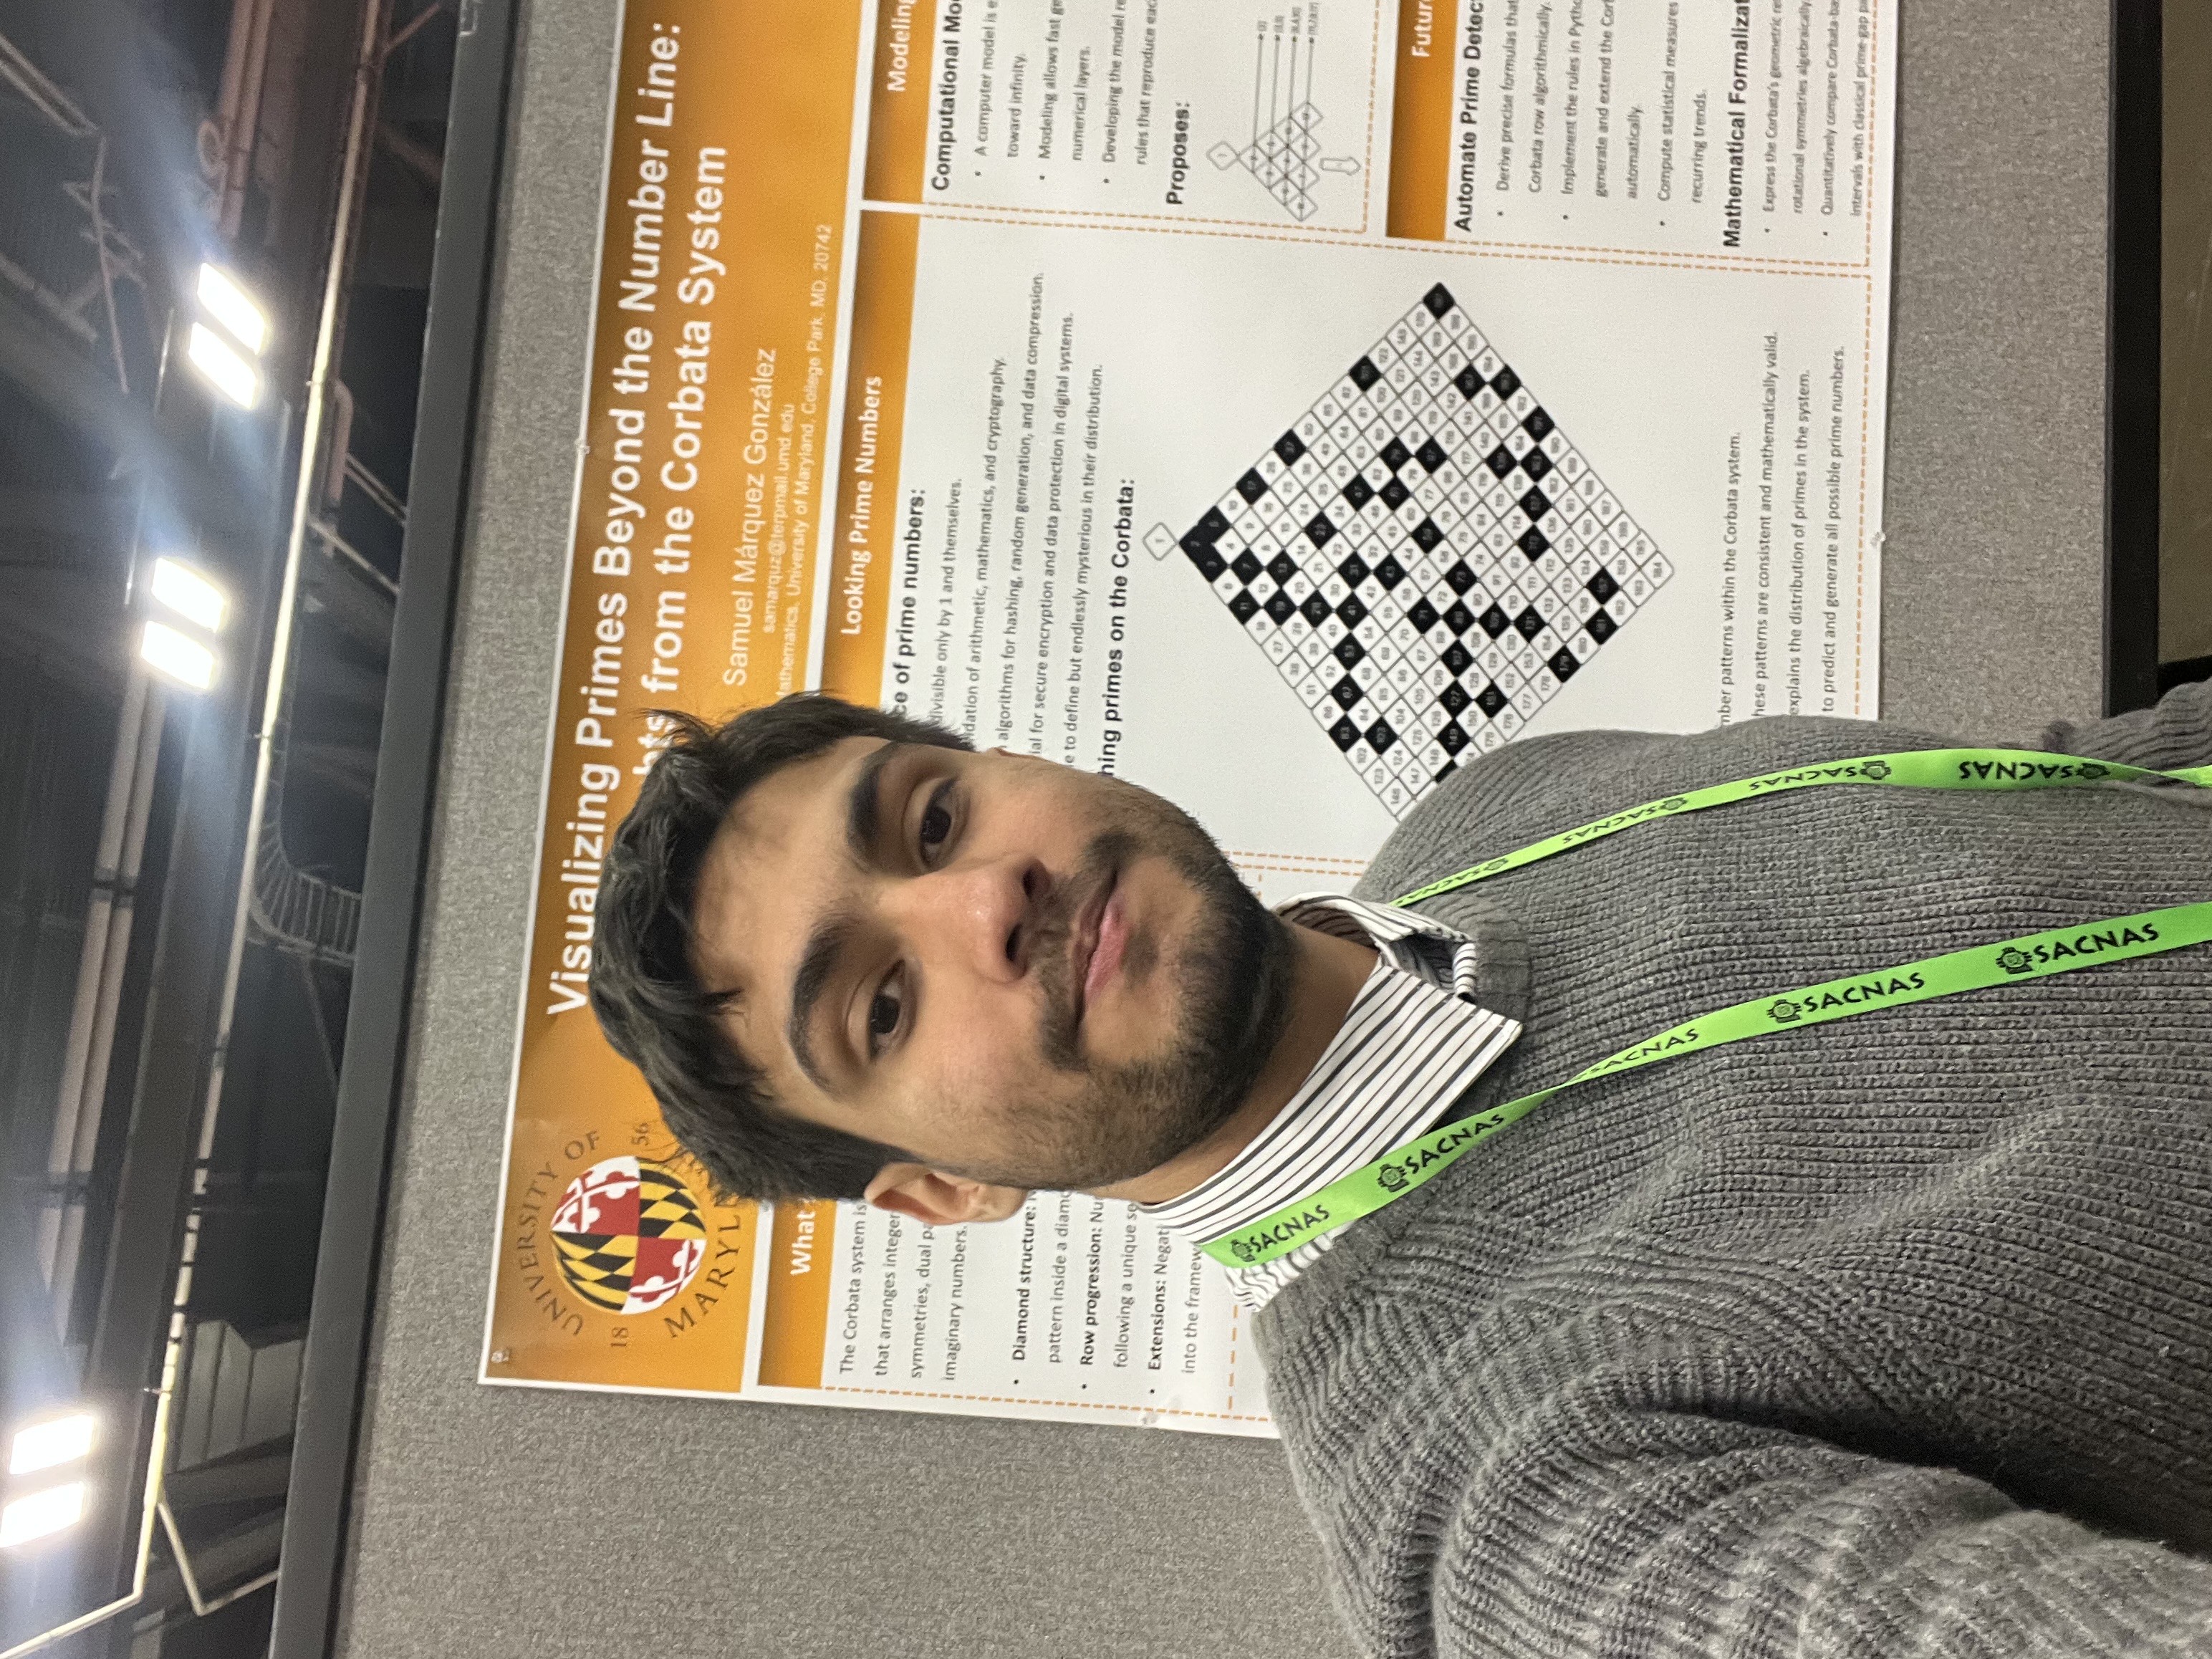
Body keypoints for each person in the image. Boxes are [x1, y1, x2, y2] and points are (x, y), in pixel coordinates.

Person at [590, 681, 2212, 1658]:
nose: (980, 905)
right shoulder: (1512, 1531)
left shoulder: (1499, 807)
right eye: (881, 1004)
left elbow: (2073, 783)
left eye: (932, 819)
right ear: (939, 1189)